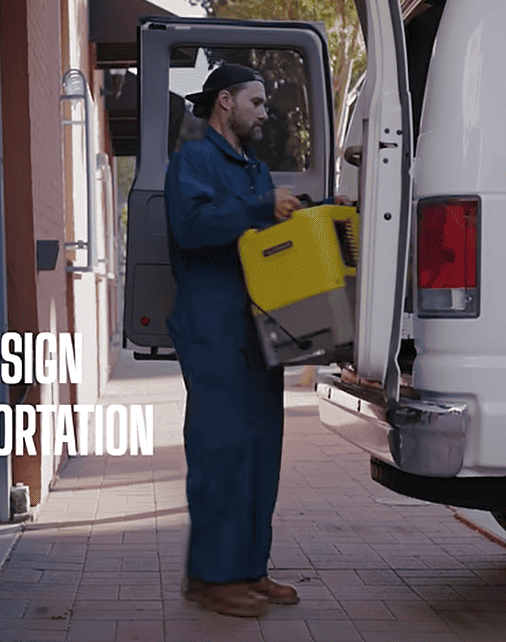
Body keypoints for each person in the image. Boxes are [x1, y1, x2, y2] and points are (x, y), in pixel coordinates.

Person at [163, 64, 303, 618]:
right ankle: (210, 578)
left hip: (259, 326)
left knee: (261, 450)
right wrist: (261, 207)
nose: (265, 111)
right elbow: (193, 228)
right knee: (220, 448)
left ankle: (249, 568)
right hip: (213, 322)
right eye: (257, 101)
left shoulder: (256, 170)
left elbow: (265, 242)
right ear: (225, 101)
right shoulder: (193, 160)